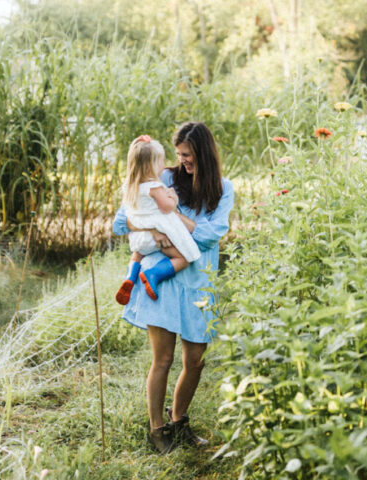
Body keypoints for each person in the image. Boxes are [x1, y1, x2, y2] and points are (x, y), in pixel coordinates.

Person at [112, 122, 234, 453]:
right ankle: (157, 430)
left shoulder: (224, 189)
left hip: (199, 286)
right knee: (163, 359)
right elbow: (122, 221)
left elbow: (211, 234)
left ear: (205, 154)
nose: (183, 162)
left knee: (195, 361)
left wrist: (173, 216)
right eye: (179, 155)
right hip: (161, 281)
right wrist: (155, 230)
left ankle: (179, 420)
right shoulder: (163, 179)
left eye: (189, 156)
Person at [115, 134, 201, 306]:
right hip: (159, 238)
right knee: (184, 258)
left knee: (137, 256)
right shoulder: (154, 187)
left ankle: (130, 278)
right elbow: (166, 208)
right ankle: (153, 274)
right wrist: (173, 199)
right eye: (161, 161)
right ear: (151, 166)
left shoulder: (130, 187)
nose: (164, 165)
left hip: (139, 240)